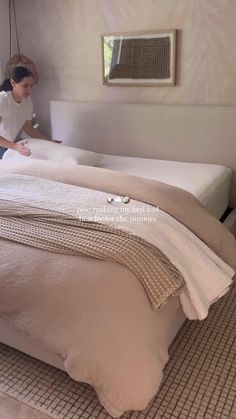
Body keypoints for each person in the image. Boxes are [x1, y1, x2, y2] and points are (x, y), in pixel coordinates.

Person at [0, 65, 61, 159]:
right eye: (25, 86)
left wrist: (49, 142)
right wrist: (15, 146)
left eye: (30, 86)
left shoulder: (28, 103)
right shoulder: (3, 99)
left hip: (8, 146)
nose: (29, 90)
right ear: (13, 83)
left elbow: (29, 129)